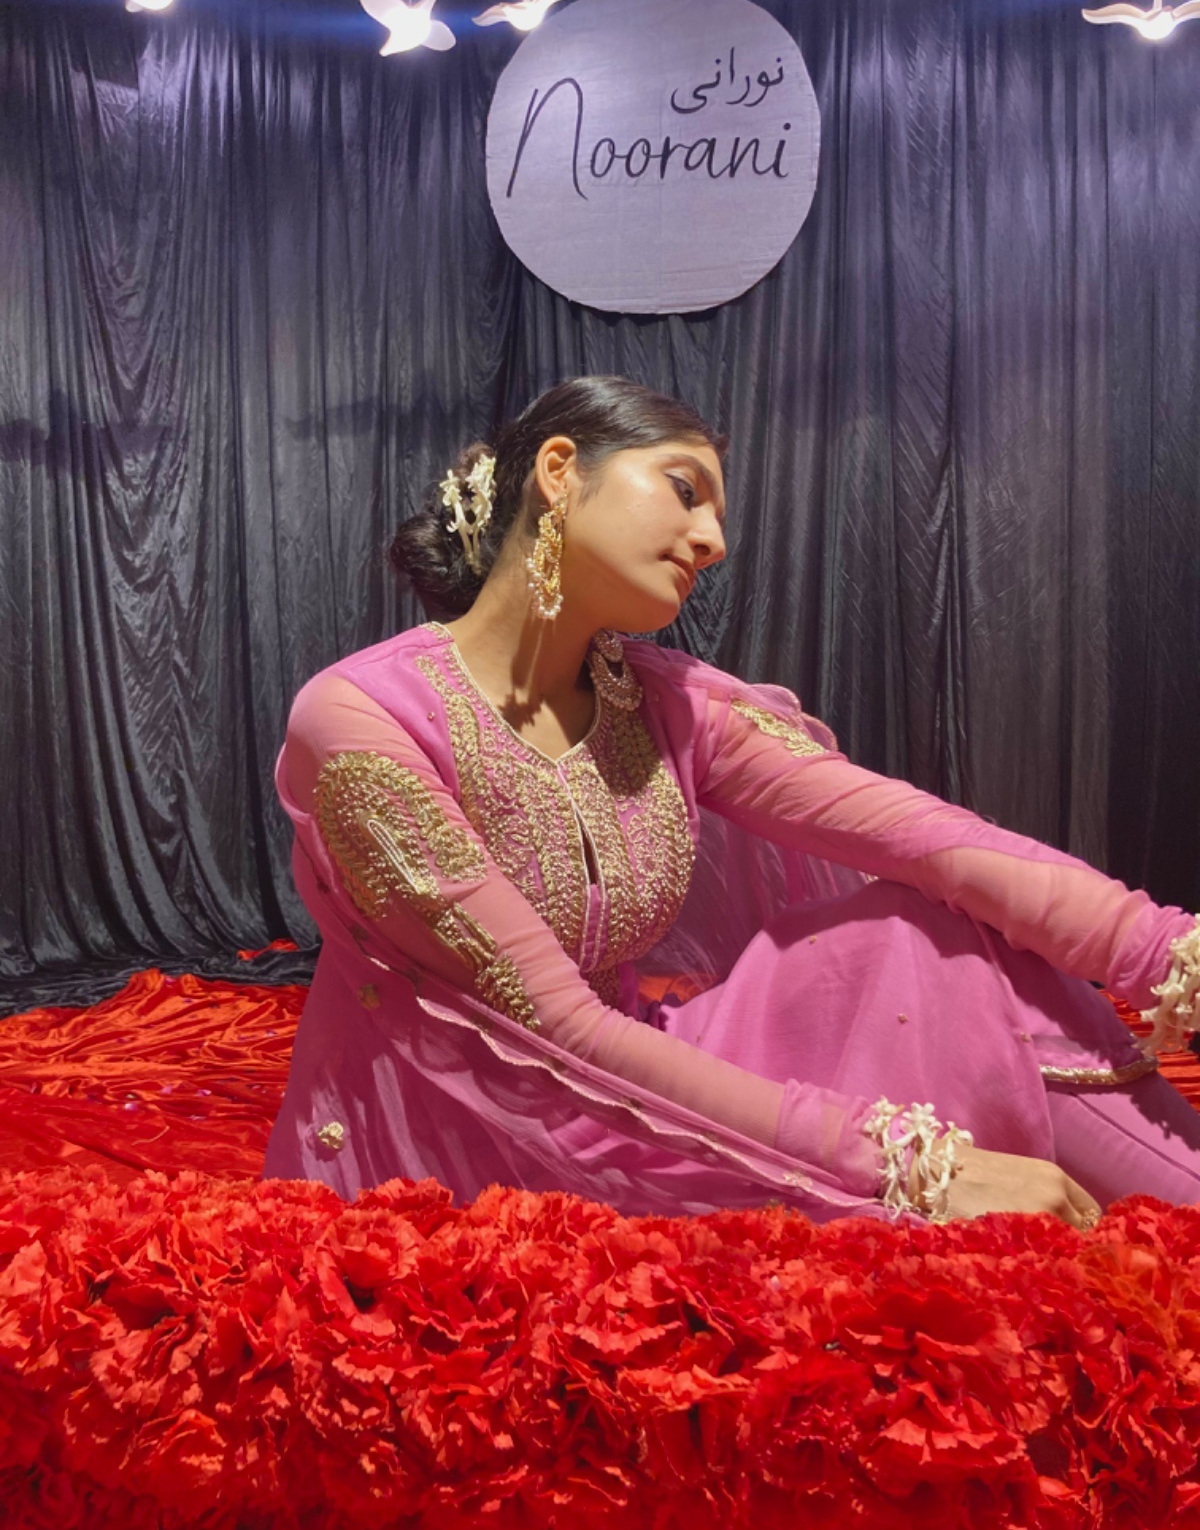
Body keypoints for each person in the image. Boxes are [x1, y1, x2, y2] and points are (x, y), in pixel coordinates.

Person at [263, 376, 1200, 1230]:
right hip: (479, 1149)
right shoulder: (361, 720)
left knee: (930, 932)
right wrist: (903, 1162)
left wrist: (1166, 952)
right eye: (686, 490)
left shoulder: (663, 704)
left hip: (640, 1078)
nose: (714, 541)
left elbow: (927, 839)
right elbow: (555, 1029)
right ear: (559, 472)